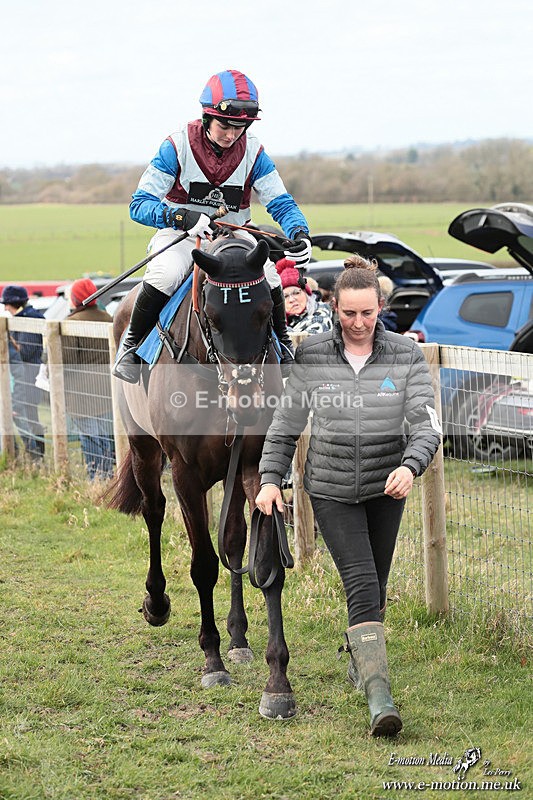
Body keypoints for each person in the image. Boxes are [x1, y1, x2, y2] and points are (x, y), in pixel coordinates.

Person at [255, 255, 441, 737]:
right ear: (333, 307)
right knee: (361, 581)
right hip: (331, 488)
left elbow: (426, 425)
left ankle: (361, 660)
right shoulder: (313, 355)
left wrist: (410, 464)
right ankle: (380, 697)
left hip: (387, 486)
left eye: (368, 313)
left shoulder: (405, 355)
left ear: (381, 307)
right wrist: (271, 478)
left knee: (375, 589)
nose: (358, 323)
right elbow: (285, 425)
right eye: (348, 314)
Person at [113, 69, 312, 383]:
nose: (232, 135)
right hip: (181, 236)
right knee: (164, 273)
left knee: (271, 276)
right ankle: (131, 343)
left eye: (240, 127)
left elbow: (280, 202)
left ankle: (282, 344)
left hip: (234, 238)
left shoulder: (254, 152)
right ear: (207, 117)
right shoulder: (176, 146)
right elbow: (139, 205)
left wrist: (299, 232)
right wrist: (182, 217)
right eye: (225, 125)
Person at [62, 278, 115, 479]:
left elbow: (66, 362)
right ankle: (107, 476)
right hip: (106, 390)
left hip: (82, 394)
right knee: (104, 435)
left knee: (91, 437)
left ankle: (97, 477)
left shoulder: (71, 323)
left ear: (76, 300)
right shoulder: (107, 317)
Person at [1, 285, 45, 460]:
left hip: (28, 378)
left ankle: (36, 457)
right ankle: (35, 457)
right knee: (29, 419)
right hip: (25, 378)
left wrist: (10, 341)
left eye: (7, 304)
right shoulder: (24, 319)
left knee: (28, 419)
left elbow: (26, 352)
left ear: (15, 303)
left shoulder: (28, 320)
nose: (5, 308)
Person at [276, 258, 333, 335]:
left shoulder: (320, 317)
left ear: (307, 294)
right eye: (285, 296)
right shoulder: (285, 321)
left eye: (296, 293)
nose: (291, 299)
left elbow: (303, 342)